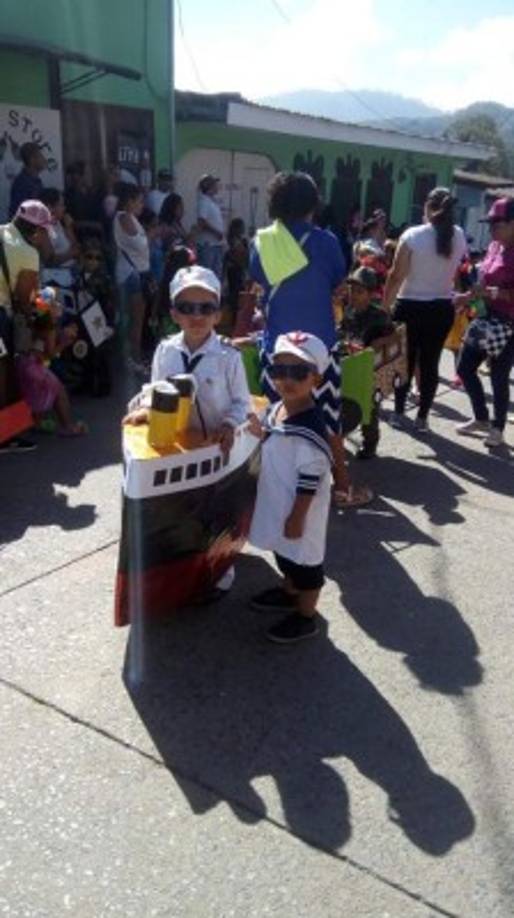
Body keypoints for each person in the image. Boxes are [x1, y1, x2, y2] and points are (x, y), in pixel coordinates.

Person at [249, 170, 369, 508]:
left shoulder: (262, 242)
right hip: (319, 349)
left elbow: (258, 281)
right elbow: (336, 283)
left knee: (276, 418)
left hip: (278, 348)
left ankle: (271, 492)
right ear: (313, 204)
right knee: (329, 419)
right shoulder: (327, 241)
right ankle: (342, 489)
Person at [248, 332, 332, 644]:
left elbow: (311, 477)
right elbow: (273, 435)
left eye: (298, 372)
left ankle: (306, 616)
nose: (286, 379)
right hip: (278, 499)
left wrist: (298, 516)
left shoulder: (309, 428)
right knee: (284, 554)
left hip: (300, 508)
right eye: (278, 370)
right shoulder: (278, 408)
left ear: (316, 378)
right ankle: (288, 590)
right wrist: (260, 431)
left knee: (305, 562)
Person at [124, 264, 250, 455]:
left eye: (206, 308)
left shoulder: (229, 356)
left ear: (217, 315)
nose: (196, 316)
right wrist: (148, 407)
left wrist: (229, 424)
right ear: (174, 314)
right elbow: (156, 389)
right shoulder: (165, 350)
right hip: (174, 446)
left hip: (214, 447)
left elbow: (242, 402)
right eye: (186, 308)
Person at [383, 187, 466, 432]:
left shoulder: (413, 235)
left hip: (409, 306)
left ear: (428, 207)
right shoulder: (459, 235)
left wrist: (384, 307)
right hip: (441, 308)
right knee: (430, 364)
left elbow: (396, 275)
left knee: (404, 362)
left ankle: (398, 413)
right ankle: (422, 418)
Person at [456, 197, 514, 447]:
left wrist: (489, 292)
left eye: (496, 223)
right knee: (464, 366)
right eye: (489, 224)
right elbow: (482, 283)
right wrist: (466, 297)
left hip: (508, 323)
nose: (491, 229)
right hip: (485, 316)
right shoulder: (493, 247)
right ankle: (481, 417)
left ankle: (497, 428)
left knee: (499, 375)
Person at [0, 200, 53, 454]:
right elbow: (24, 300)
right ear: (35, 230)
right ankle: (7, 437)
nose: (45, 236)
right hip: (1, 317)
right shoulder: (27, 252)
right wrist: (44, 312)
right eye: (44, 231)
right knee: (7, 376)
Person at [16, 288, 87, 436]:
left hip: (24, 364)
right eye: (54, 303)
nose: (58, 305)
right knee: (59, 391)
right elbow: (49, 353)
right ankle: (68, 426)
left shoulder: (37, 323)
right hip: (35, 367)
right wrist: (65, 343)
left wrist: (62, 334)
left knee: (37, 396)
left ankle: (36, 423)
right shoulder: (49, 328)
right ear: (48, 308)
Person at [342, 266, 395, 459]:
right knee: (346, 400)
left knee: (369, 408)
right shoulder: (349, 311)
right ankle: (341, 432)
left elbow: (393, 337)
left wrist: (377, 343)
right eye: (351, 291)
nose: (353, 295)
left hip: (370, 368)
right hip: (351, 362)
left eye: (359, 292)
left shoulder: (379, 315)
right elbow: (343, 330)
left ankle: (370, 444)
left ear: (371, 293)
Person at [113, 184, 150, 373]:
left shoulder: (130, 217)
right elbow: (139, 244)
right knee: (135, 320)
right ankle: (132, 359)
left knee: (134, 319)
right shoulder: (124, 217)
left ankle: (131, 357)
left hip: (134, 273)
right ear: (130, 201)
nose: (142, 205)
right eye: (139, 201)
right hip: (130, 274)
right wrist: (151, 235)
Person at [39, 188, 80, 287]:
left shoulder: (58, 223)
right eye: (61, 205)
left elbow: (75, 245)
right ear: (50, 207)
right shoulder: (42, 229)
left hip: (70, 272)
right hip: (56, 279)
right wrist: (71, 254)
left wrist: (69, 227)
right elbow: (49, 260)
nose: (64, 208)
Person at [196, 174, 224, 278]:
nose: (217, 186)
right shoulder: (203, 201)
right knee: (207, 277)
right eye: (214, 184)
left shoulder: (210, 201)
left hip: (215, 245)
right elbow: (201, 222)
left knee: (215, 277)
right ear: (208, 186)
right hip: (208, 246)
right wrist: (216, 233)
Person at [9, 143, 46, 218]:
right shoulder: (21, 184)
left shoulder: (37, 181)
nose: (44, 159)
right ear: (32, 160)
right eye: (40, 156)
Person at [224, 217, 249, 319]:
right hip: (235, 270)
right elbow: (240, 254)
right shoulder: (233, 240)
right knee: (236, 296)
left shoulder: (238, 240)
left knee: (237, 295)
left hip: (237, 270)